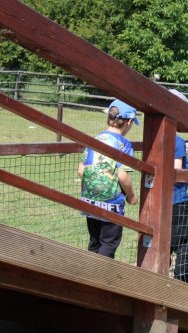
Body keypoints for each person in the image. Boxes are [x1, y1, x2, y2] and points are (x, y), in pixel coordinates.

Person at [77, 99, 139, 259]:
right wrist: (131, 196)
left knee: (95, 241)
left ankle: (89, 276)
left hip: (89, 202)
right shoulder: (123, 144)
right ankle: (100, 279)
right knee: (109, 244)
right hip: (111, 204)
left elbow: (81, 170)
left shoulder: (94, 140)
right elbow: (122, 174)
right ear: (129, 122)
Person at [168, 88, 188, 283]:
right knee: (186, 243)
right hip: (178, 200)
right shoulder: (177, 140)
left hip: (159, 199)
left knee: (163, 242)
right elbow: (176, 172)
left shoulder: (158, 136)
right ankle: (181, 283)